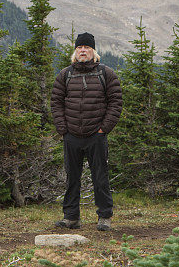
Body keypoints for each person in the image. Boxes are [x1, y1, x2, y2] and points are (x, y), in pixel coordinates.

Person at [51, 32, 122, 231]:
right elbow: (56, 103)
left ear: (93, 52)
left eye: (87, 48)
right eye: (80, 48)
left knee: (100, 177)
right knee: (71, 177)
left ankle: (104, 217)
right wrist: (63, 129)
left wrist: (103, 129)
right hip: (71, 135)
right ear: (75, 51)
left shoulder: (106, 74)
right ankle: (71, 217)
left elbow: (116, 103)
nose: (83, 51)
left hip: (96, 135)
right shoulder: (65, 75)